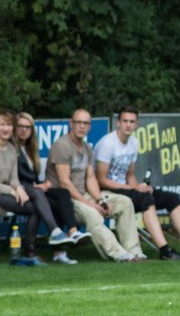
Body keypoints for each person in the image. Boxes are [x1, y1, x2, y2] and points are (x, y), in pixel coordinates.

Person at [95, 105, 180, 260]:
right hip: (108, 192)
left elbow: (130, 175)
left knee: (171, 198)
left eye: (132, 122)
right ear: (118, 122)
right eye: (125, 121)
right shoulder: (107, 144)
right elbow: (101, 180)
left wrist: (139, 187)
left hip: (126, 188)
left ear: (137, 124)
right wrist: (134, 188)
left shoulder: (133, 143)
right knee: (146, 199)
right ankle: (165, 251)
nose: (128, 125)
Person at [0, 109, 76, 265]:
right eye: (2, 125)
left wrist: (18, 188)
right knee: (35, 196)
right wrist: (12, 190)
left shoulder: (12, 149)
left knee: (35, 207)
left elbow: (13, 178)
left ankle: (29, 254)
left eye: (9, 125)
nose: (6, 129)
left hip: (5, 193)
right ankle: (54, 232)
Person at [45, 110, 143, 262]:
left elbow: (90, 178)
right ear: (71, 124)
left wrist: (99, 200)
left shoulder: (87, 148)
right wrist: (91, 204)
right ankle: (119, 254)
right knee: (93, 214)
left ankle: (134, 251)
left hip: (85, 194)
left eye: (86, 123)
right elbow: (65, 183)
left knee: (124, 202)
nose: (82, 126)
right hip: (66, 198)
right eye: (78, 122)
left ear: (89, 127)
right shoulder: (62, 145)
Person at [13, 112, 89, 265]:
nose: (24, 130)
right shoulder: (11, 149)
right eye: (20, 126)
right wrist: (35, 186)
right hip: (20, 191)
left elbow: (30, 176)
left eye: (28, 127)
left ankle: (71, 234)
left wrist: (43, 184)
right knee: (54, 203)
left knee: (62, 194)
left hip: (34, 190)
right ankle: (53, 248)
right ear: (15, 128)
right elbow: (12, 176)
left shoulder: (30, 149)